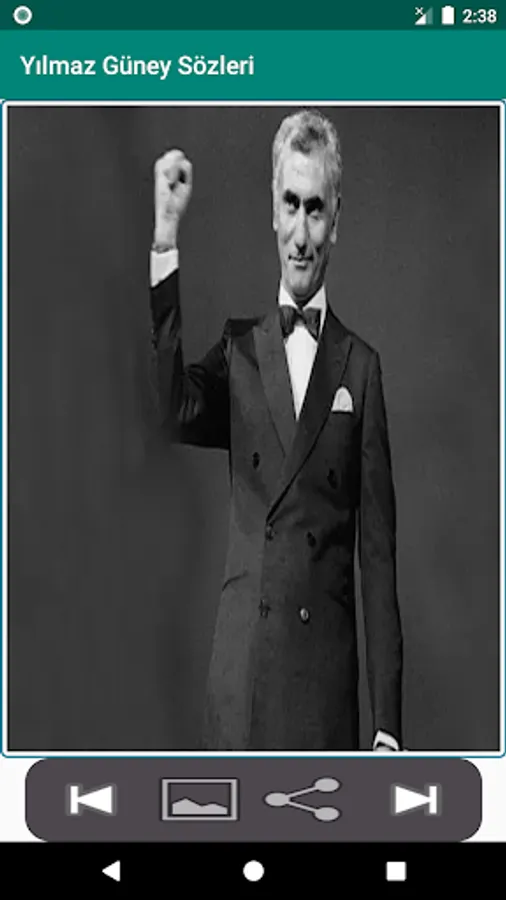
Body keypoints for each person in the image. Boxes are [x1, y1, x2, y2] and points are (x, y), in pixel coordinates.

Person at [149, 109, 403, 751]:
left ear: (336, 219)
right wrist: (165, 239)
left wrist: (387, 728)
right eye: (290, 204)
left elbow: (377, 562)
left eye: (315, 209)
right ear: (273, 208)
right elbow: (170, 408)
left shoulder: (361, 369)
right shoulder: (239, 352)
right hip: (242, 684)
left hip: (323, 695)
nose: (300, 233)